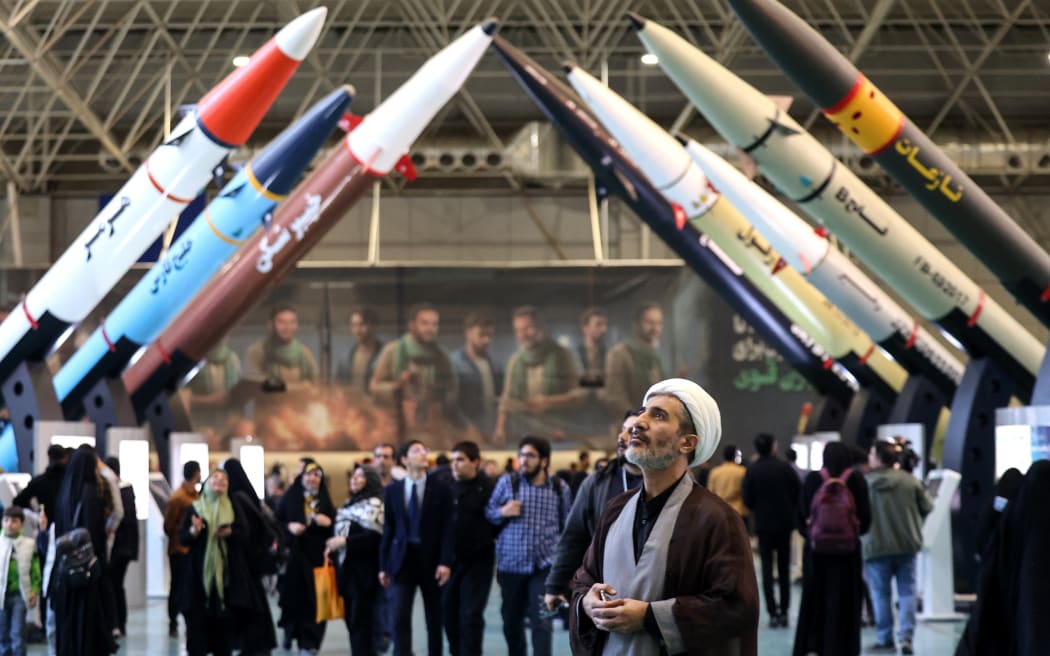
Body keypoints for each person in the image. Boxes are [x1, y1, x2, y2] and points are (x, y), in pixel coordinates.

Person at [569, 378, 758, 655]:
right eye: (643, 411)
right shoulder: (615, 510)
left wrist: (649, 617)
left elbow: (735, 607)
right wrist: (586, 602)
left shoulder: (717, 519)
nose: (639, 422)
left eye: (658, 415)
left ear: (687, 442)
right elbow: (584, 578)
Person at [544, 409, 644, 611]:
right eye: (622, 430)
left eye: (632, 432)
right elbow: (573, 537)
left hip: (649, 590)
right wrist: (554, 584)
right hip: (603, 588)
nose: (621, 437)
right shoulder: (596, 483)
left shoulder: (664, 484)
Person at [485, 436, 572, 656]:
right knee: (511, 622)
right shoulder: (507, 482)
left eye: (530, 456)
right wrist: (502, 512)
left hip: (544, 566)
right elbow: (489, 512)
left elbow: (568, 527)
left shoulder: (559, 488)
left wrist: (564, 567)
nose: (524, 460)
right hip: (511, 564)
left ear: (544, 461)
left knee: (542, 622)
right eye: (521, 455)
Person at [793, 441, 871, 656]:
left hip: (816, 555)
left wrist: (814, 536)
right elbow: (865, 522)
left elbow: (800, 519)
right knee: (846, 602)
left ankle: (812, 645)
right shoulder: (857, 481)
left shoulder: (812, 479)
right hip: (848, 555)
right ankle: (843, 648)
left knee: (814, 600)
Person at [378, 440, 454, 656]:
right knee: (399, 617)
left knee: (434, 618)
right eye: (417, 450)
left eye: (425, 450)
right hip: (402, 560)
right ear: (404, 460)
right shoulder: (393, 490)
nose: (423, 454)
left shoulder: (440, 488)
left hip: (432, 561)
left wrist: (445, 561)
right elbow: (388, 530)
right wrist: (383, 565)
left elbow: (448, 528)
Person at [863, 441, 932, 654]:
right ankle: (907, 638)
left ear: (879, 458)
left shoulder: (866, 483)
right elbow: (928, 506)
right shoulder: (910, 482)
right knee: (907, 592)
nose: (869, 457)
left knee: (881, 595)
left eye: (872, 453)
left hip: (876, 547)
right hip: (906, 545)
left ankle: (885, 639)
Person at [52, 446, 117, 655]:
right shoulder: (90, 493)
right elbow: (92, 534)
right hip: (86, 567)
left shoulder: (65, 491)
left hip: (66, 565)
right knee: (87, 614)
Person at [494, 307, 582, 445]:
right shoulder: (515, 361)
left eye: (528, 328)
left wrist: (550, 401)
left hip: (560, 433)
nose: (523, 335)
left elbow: (580, 394)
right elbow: (507, 399)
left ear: (542, 328)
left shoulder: (563, 355)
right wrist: (499, 430)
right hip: (524, 433)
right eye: (518, 330)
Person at [220, 459, 279, 655]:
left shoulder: (236, 499)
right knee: (256, 603)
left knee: (248, 605)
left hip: (244, 561)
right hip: (255, 560)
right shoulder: (250, 496)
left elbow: (244, 532)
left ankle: (251, 644)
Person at [741, 433, 800, 629]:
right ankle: (784, 611)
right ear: (774, 447)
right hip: (784, 525)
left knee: (766, 570)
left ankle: (772, 613)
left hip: (763, 526)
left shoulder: (753, 470)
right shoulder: (785, 468)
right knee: (784, 569)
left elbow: (748, 500)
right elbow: (797, 493)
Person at [276, 462, 335, 654]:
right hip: (294, 559)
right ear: (301, 478)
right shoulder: (290, 498)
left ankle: (310, 643)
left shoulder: (326, 501)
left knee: (316, 602)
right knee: (295, 600)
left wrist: (329, 523)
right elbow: (276, 523)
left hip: (317, 560)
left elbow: (337, 528)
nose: (313, 478)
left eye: (317, 475)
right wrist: (289, 528)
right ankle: (292, 634)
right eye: (309, 475)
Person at [371, 303, 459, 433]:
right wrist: (397, 386)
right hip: (398, 426)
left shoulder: (442, 356)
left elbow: (453, 388)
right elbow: (375, 387)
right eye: (424, 323)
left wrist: (441, 406)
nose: (430, 328)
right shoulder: (392, 351)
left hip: (433, 427)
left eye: (434, 324)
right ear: (412, 325)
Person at [443, 441, 496, 656]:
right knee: (449, 614)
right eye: (453, 460)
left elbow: (498, 520)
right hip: (449, 562)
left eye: (460, 460)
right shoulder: (444, 485)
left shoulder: (490, 487)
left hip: (478, 561)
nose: (454, 465)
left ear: (475, 462)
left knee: (470, 615)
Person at [326, 465, 384, 656]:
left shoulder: (375, 504)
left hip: (365, 572)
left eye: (360, 476)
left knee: (361, 623)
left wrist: (344, 541)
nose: (354, 479)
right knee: (352, 621)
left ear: (371, 480)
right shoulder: (350, 504)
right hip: (348, 571)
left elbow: (374, 537)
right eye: (354, 476)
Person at [603, 303, 666, 415]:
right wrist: (639, 417)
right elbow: (615, 398)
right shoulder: (620, 353)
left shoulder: (655, 355)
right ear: (637, 324)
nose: (655, 328)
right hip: (630, 425)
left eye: (659, 323)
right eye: (650, 322)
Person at [163, 460, 201, 638]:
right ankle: (173, 621)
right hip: (179, 550)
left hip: (191, 549)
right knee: (177, 586)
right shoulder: (178, 497)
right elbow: (169, 525)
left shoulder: (196, 496)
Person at [102, 457, 138, 638]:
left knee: (113, 586)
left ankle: (116, 624)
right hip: (124, 548)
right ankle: (119, 624)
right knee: (117, 586)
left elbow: (120, 516)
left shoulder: (117, 489)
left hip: (117, 548)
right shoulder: (127, 489)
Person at [451, 313, 501, 439]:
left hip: (490, 432)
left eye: (490, 335)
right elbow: (449, 403)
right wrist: (467, 427)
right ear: (468, 334)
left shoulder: (494, 364)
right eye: (481, 335)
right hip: (465, 433)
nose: (486, 340)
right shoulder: (454, 363)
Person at [245, 305, 318, 389]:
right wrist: (295, 387)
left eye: (292, 322)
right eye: (282, 322)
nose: (288, 327)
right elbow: (258, 384)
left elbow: (315, 383)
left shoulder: (304, 352)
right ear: (270, 325)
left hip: (300, 400)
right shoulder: (257, 351)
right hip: (269, 401)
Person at [0, 507, 40, 656]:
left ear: (22, 524)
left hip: (20, 595)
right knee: (2, 634)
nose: (10, 524)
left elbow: (35, 571)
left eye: (14, 521)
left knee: (17, 633)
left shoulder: (29, 544)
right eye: (6, 520)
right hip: (1, 595)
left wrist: (34, 591)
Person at [13, 444, 69, 521]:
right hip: (68, 526)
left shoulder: (39, 481)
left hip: (46, 524)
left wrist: (35, 513)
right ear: (65, 458)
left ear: (49, 458)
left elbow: (18, 501)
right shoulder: (71, 480)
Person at [337, 307, 384, 394]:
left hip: (377, 406)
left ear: (373, 326)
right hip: (351, 406)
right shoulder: (345, 358)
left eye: (362, 324)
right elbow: (340, 387)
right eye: (353, 325)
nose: (357, 330)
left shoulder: (384, 355)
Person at [707, 444, 748, 519]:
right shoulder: (742, 471)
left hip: (720, 511)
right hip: (738, 510)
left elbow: (710, 492)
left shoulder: (715, 472)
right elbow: (746, 492)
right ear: (735, 456)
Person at [575, 307, 608, 389]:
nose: (604, 329)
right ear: (585, 328)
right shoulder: (574, 354)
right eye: (598, 324)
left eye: (605, 325)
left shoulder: (609, 354)